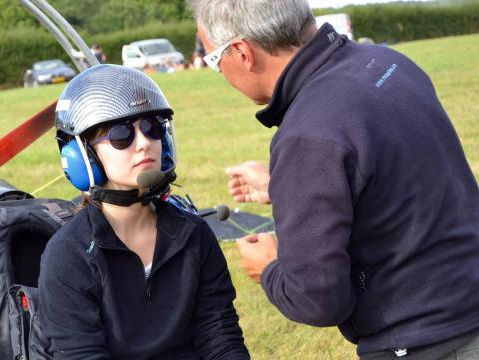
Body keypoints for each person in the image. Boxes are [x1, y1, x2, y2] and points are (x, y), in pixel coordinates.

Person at [189, 0, 479, 359]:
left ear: (243, 53)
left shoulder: (308, 134)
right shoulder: (389, 63)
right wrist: (288, 186)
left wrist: (269, 268)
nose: (220, 72)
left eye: (214, 60)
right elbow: (395, 182)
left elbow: (318, 298)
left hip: (424, 338)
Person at [38, 64, 249, 359]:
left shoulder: (192, 233)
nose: (144, 144)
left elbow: (219, 332)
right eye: (121, 135)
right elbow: (81, 353)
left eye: (152, 128)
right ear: (84, 155)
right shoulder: (69, 256)